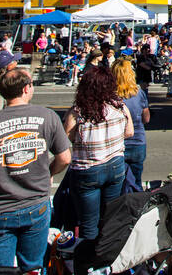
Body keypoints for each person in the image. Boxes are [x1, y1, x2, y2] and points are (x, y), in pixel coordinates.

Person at [0, 68, 72, 271]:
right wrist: (48, 173)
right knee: (33, 267)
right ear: (27, 88)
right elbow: (64, 159)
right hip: (36, 203)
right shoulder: (48, 117)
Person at [64, 67, 134, 239]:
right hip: (115, 164)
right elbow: (129, 132)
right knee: (109, 217)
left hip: (88, 168)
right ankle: (107, 255)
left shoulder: (78, 111)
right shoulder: (119, 106)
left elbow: (67, 136)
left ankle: (89, 260)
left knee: (88, 222)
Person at [114, 59, 150, 187]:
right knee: (136, 182)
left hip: (116, 145)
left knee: (117, 185)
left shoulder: (111, 95)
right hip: (137, 142)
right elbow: (146, 118)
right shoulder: (139, 93)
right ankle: (136, 205)